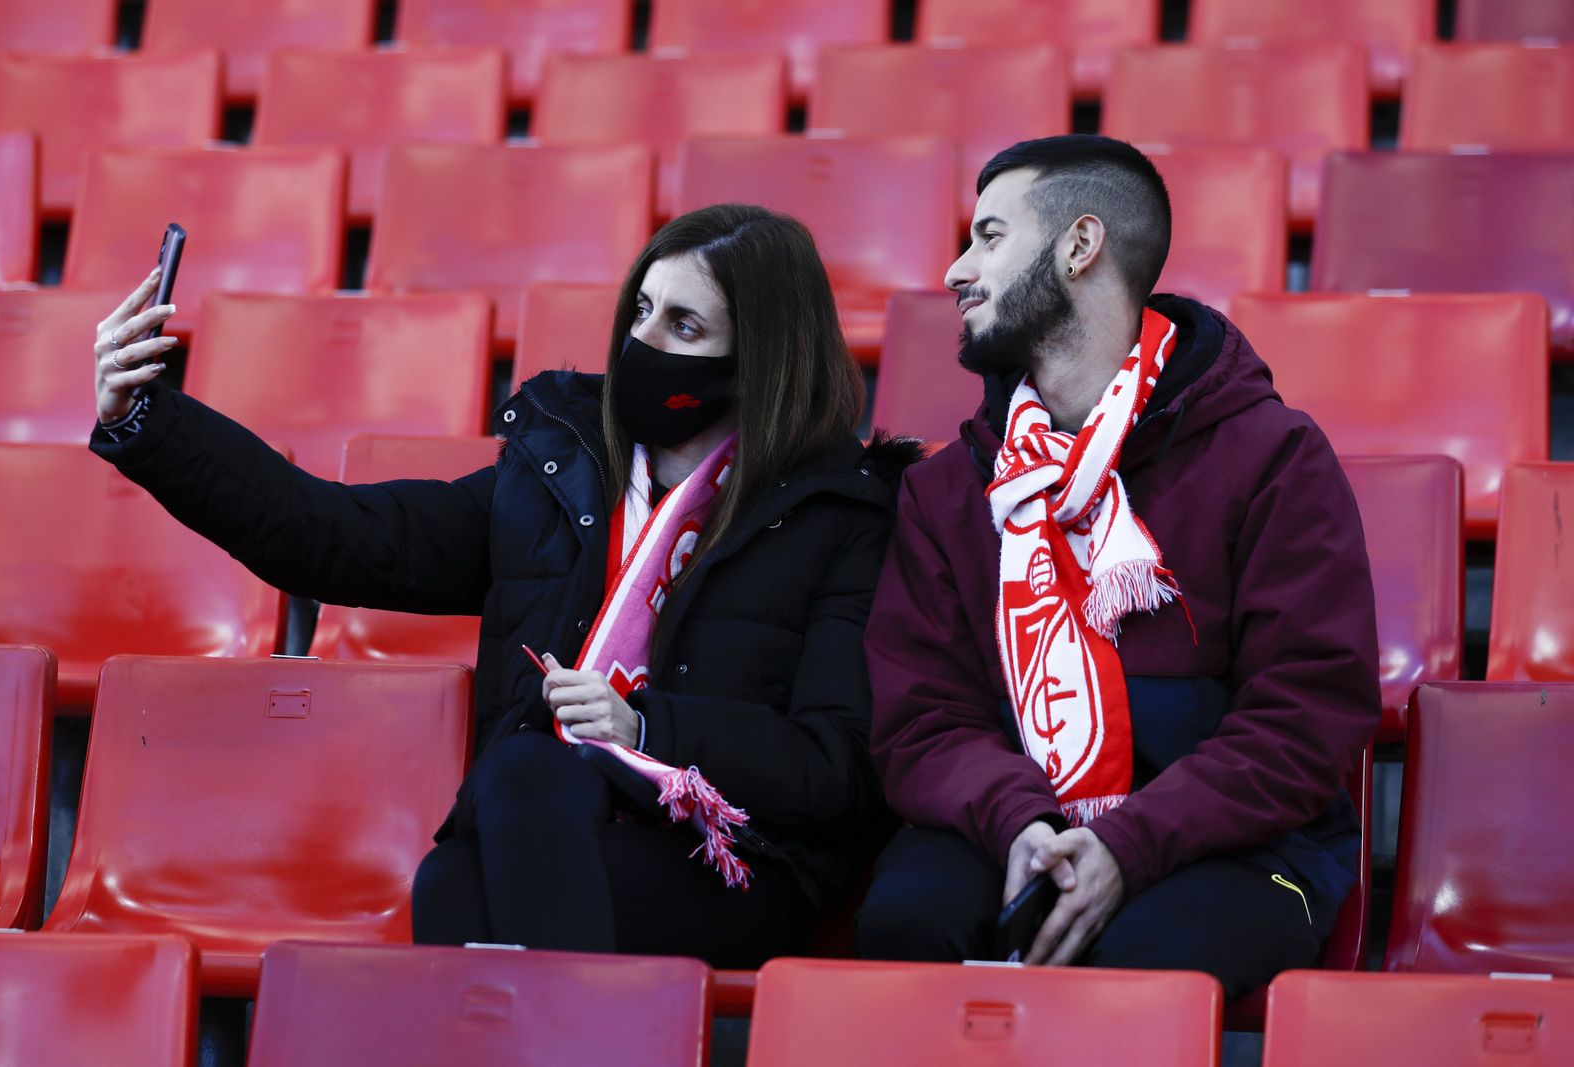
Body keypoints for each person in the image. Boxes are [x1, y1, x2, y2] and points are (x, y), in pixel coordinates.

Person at [88, 203, 918, 967]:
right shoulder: (561, 473)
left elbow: (834, 767)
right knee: (471, 854)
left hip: (725, 855)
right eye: (641, 309)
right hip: (546, 818)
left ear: (759, 361)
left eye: (683, 324)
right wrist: (148, 420)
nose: (643, 338)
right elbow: (336, 538)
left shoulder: (838, 517)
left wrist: (644, 724)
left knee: (496, 822)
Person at [853, 135, 1379, 999]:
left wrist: (1128, 845)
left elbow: (1304, 712)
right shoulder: (948, 488)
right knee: (908, 923)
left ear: (1080, 246)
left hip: (1239, 845)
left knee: (1138, 966)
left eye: (989, 237)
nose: (955, 271)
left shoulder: (1271, 455)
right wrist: (1020, 821)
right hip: (1010, 825)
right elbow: (923, 718)